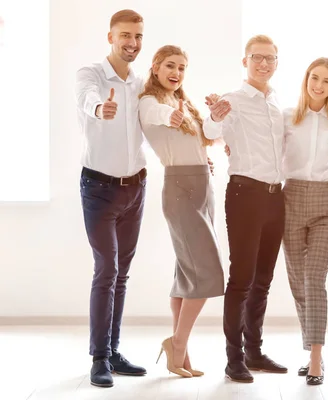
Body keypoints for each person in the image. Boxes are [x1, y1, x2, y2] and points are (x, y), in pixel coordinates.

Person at [203, 34, 287, 383]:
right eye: (257, 57)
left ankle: (254, 351)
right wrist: (213, 117)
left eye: (270, 58)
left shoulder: (277, 105)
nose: (264, 64)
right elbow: (210, 131)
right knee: (241, 279)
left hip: (275, 196)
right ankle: (233, 358)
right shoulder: (231, 100)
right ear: (245, 61)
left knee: (263, 280)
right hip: (244, 195)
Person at [138, 45, 225, 378]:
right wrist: (169, 114)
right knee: (207, 273)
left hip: (203, 187)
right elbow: (153, 116)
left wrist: (215, 116)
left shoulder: (184, 101)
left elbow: (207, 140)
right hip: (182, 191)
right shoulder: (152, 102)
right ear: (156, 67)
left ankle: (181, 353)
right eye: (171, 66)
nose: (177, 72)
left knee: (187, 276)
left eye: (183, 67)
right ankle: (176, 344)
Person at [75, 9, 147, 388]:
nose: (132, 43)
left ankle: (114, 350)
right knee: (106, 271)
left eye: (137, 36)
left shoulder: (141, 82)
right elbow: (88, 99)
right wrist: (100, 107)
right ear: (110, 37)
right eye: (125, 35)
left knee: (121, 275)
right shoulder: (90, 75)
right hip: (99, 189)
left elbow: (157, 121)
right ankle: (99, 358)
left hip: (135, 187)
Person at [281, 57, 328, 386]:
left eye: (327, 81)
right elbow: (267, 152)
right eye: (314, 78)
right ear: (306, 79)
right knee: (297, 282)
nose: (318, 85)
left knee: (314, 279)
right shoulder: (287, 117)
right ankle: (310, 349)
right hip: (290, 199)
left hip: (325, 202)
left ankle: (317, 359)